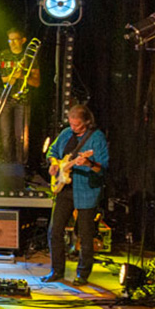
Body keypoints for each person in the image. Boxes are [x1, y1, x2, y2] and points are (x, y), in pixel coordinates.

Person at [43, 104, 109, 286]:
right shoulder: (66, 133)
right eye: (71, 124)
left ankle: (83, 274)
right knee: (54, 231)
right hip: (65, 189)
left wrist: (88, 163)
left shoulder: (97, 138)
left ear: (87, 122)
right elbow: (51, 151)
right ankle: (56, 270)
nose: (73, 128)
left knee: (85, 235)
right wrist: (54, 163)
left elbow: (102, 167)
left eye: (77, 125)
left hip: (86, 190)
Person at [0, 27, 41, 165]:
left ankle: (21, 167)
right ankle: (8, 166)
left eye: (15, 40)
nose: (12, 43)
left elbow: (36, 82)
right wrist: (11, 77)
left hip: (23, 99)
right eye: (10, 40)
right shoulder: (2, 55)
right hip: (4, 99)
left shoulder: (30, 58)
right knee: (5, 135)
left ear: (23, 40)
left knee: (22, 136)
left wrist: (23, 76)